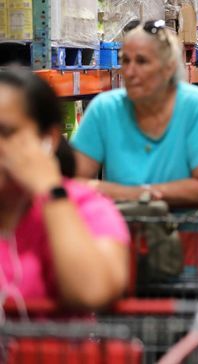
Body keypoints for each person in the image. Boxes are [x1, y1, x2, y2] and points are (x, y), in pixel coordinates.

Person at [0, 70, 129, 310]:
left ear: (47, 138)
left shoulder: (88, 207)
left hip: (52, 348)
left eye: (6, 132)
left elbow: (92, 292)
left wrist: (51, 191)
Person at [72, 20, 198, 208]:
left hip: (188, 231)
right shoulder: (105, 109)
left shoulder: (196, 106)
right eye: (125, 60)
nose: (129, 71)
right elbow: (75, 183)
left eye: (142, 61)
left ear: (168, 68)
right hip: (122, 232)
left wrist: (133, 194)